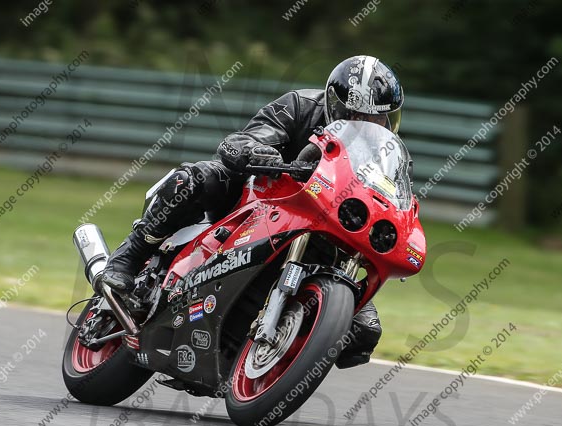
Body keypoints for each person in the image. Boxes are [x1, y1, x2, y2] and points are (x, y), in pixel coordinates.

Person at [102, 55, 406, 369]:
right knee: (198, 178)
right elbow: (241, 141)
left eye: (379, 119)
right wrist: (259, 151)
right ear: (336, 106)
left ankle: (276, 352)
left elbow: (393, 197)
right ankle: (130, 255)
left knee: (362, 332)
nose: (369, 126)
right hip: (260, 200)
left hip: (326, 228)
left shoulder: (385, 151)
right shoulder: (300, 106)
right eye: (358, 116)